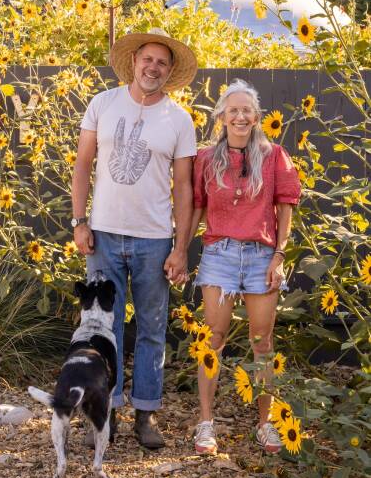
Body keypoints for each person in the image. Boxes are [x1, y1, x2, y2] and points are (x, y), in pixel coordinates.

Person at [71, 28, 197, 449]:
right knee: (103, 328)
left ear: (170, 71)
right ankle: (104, 415)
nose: (153, 67)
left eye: (162, 62)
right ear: (134, 61)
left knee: (152, 329)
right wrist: (79, 222)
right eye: (148, 59)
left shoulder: (179, 120)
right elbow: (82, 164)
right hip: (103, 235)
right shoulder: (103, 104)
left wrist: (181, 247)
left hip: (154, 239)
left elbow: (184, 188)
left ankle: (146, 414)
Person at [185, 79, 301, 456]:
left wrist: (279, 256)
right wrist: (179, 249)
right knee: (212, 339)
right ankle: (206, 423)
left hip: (260, 256)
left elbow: (285, 208)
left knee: (262, 342)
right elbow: (196, 207)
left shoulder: (274, 155)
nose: (240, 116)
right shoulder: (206, 158)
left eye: (246, 110)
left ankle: (266, 424)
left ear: (256, 117)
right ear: (221, 116)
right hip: (219, 255)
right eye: (232, 110)